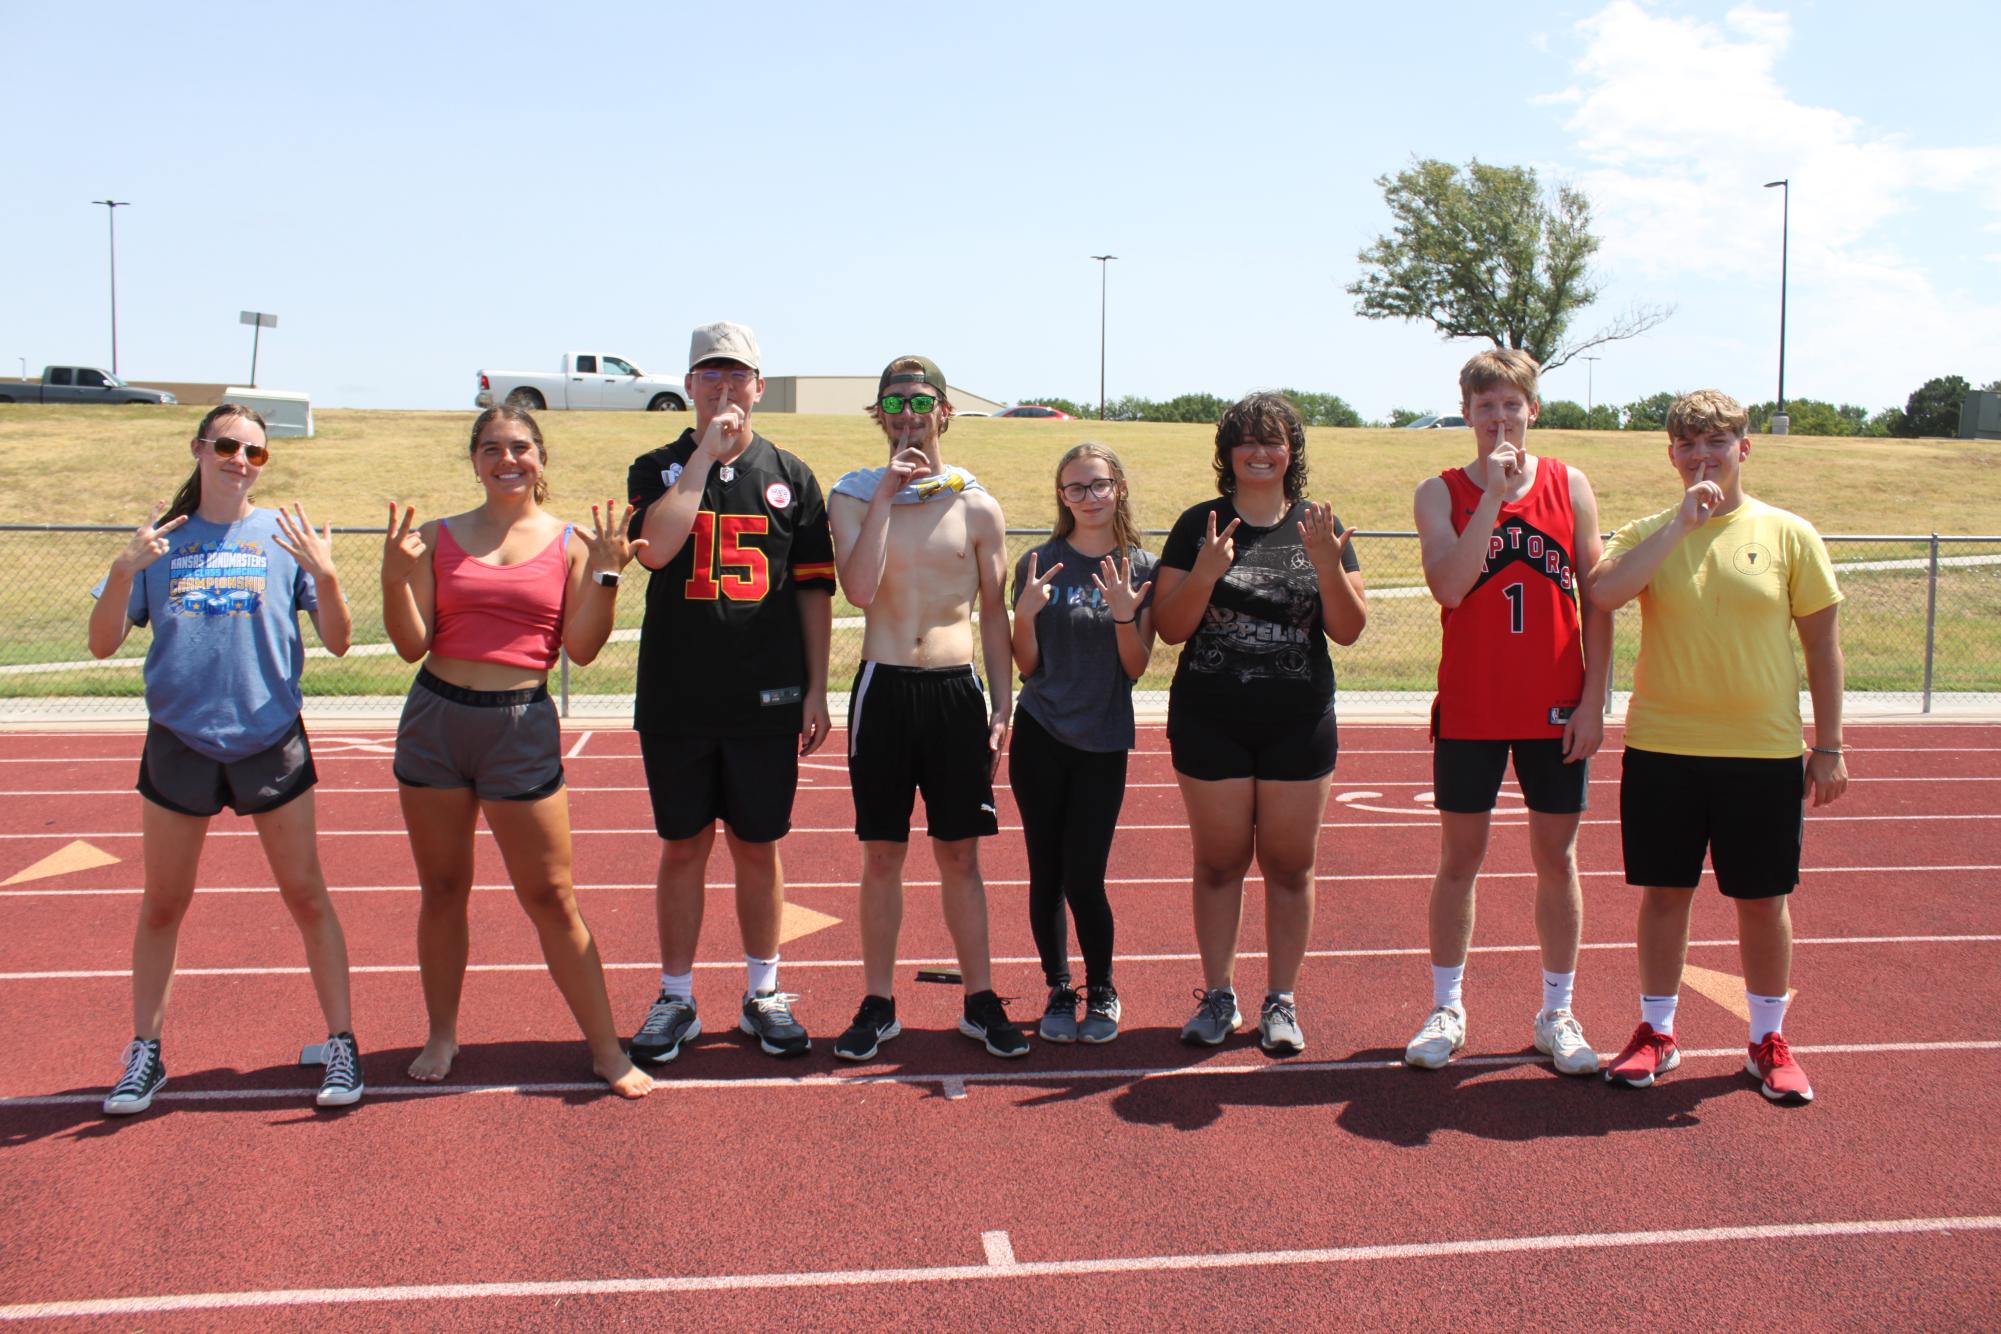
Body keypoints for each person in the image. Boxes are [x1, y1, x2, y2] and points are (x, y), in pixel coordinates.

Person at [87, 404, 362, 1114]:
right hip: (180, 738)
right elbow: (100, 643)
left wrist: (326, 576)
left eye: (256, 452)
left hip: (269, 736)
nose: (241, 459)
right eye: (229, 445)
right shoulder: (162, 541)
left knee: (307, 895)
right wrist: (122, 571)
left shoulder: (281, 534)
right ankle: (144, 1052)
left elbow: (337, 641)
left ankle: (340, 1043)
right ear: (200, 448)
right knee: (163, 906)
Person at [381, 406, 653, 1099]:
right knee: (442, 891)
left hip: (519, 724)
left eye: (521, 447)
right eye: (492, 448)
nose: (508, 459)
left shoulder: (566, 543)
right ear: (474, 459)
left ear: (541, 457)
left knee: (552, 896)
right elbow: (412, 645)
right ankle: (442, 1034)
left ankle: (605, 1050)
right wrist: (392, 575)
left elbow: (583, 651)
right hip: (436, 721)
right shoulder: (435, 537)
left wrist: (606, 571)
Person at [1587, 389, 1847, 1105]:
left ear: (1743, 448)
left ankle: (1766, 1041)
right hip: (1663, 746)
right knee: (1664, 894)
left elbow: (1821, 647)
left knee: (1762, 900)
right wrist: (1677, 526)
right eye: (1687, 445)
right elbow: (1603, 594)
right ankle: (1655, 1032)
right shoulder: (1649, 530)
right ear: (1671, 454)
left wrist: (1828, 745)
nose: (1703, 456)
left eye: (1716, 443)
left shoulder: (1789, 532)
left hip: (1760, 752)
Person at [623, 322, 834, 1062]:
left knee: (757, 846)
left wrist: (816, 688)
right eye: (708, 376)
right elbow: (655, 550)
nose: (722, 388)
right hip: (679, 692)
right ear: (688, 385)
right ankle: (675, 996)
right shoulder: (656, 466)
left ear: (758, 386)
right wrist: (701, 461)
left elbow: (813, 594)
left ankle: (762, 991)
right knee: (682, 847)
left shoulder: (792, 475)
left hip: (765, 694)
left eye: (735, 376)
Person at [1403, 350, 1610, 1077]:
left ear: (1532, 410)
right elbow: (1450, 589)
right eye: (1484, 407)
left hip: (1554, 707)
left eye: (1510, 406)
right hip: (1471, 706)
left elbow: (1598, 596)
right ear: (1466, 414)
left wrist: (1595, 698)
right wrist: (1491, 497)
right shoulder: (1440, 492)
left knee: (1556, 859)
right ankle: (1446, 1006)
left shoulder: (1568, 482)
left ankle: (1556, 1010)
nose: (1498, 419)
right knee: (1459, 860)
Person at [1152, 392, 1366, 1054]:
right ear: (1227, 452)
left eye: (1272, 439)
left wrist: (1329, 568)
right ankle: (1218, 995)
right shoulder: (1199, 524)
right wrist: (1205, 573)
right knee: (1219, 863)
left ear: (1291, 450)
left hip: (1297, 721)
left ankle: (1280, 1000)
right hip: (1209, 718)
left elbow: (1350, 629)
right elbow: (1169, 627)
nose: (1259, 450)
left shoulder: (1318, 523)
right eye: (1245, 439)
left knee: (1289, 865)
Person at [827, 355, 1027, 1060]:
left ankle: (978, 999)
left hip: (952, 688)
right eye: (894, 402)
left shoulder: (976, 503)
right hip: (883, 686)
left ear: (944, 412)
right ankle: (878, 1003)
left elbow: (994, 619)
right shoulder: (852, 497)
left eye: (920, 401)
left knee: (960, 856)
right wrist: (887, 493)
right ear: (879, 415)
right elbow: (857, 589)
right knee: (882, 855)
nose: (908, 413)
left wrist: (1003, 704)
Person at [1010, 443, 1157, 1043]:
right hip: (1040, 732)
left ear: (1118, 488)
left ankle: (1102, 988)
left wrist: (1125, 613)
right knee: (1045, 871)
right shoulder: (1039, 561)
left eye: (1098, 485)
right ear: (1061, 496)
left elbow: (1137, 666)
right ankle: (1058, 986)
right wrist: (1023, 615)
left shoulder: (1142, 566)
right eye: (1075, 488)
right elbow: (1028, 665)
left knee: (1085, 876)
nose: (1088, 497)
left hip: (1101, 739)